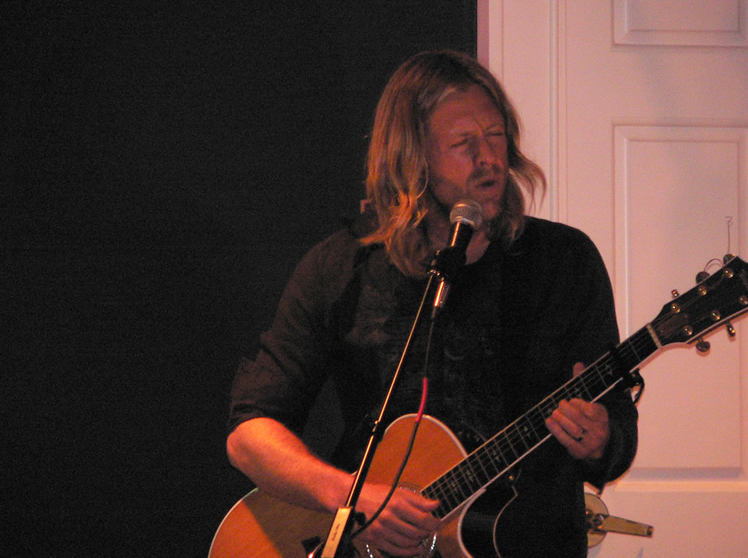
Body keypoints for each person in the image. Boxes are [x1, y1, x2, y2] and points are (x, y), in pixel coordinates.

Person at [226, 49, 638, 558]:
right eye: (464, 143)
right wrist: (352, 500)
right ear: (411, 157)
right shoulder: (343, 268)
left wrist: (601, 440)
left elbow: (616, 427)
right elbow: (250, 432)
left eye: (496, 136)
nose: (488, 158)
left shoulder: (563, 261)